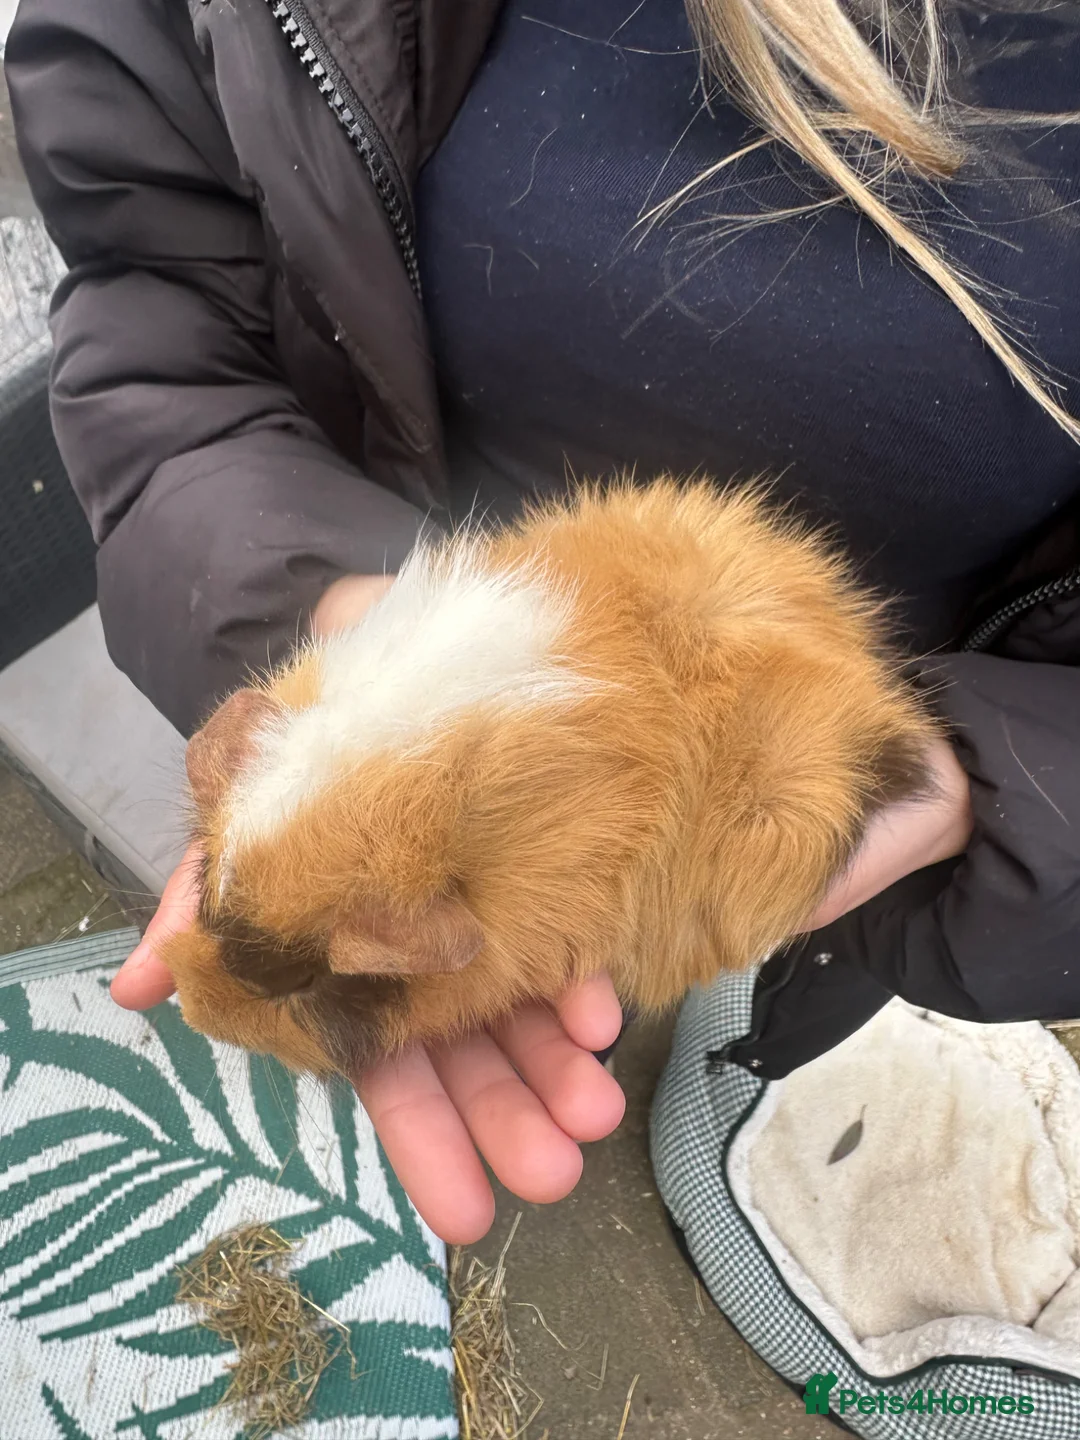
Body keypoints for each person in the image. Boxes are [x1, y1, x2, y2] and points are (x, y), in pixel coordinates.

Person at [6, 0, 1080, 1246]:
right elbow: (154, 295)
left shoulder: (484, 910)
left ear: (422, 938)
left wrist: (1003, 795)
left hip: (867, 772)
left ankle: (740, 1018)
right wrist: (291, 582)